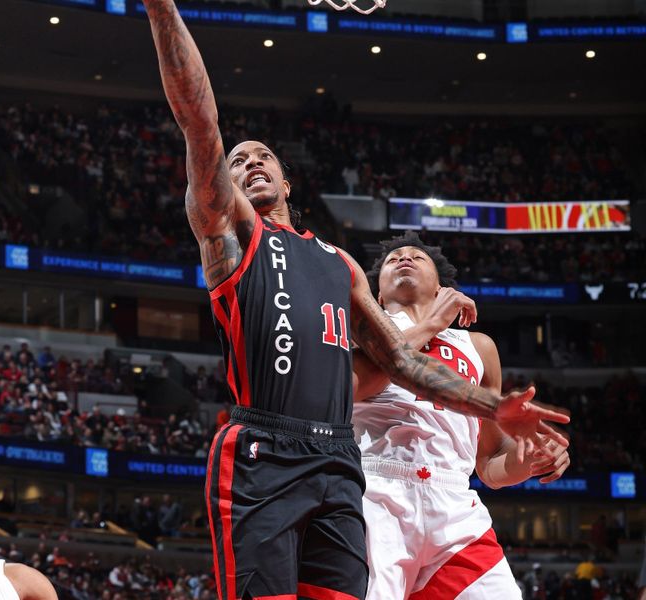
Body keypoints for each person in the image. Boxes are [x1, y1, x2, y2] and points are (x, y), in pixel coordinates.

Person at [142, 3, 569, 598]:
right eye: (237, 162)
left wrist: (493, 409)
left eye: (263, 155)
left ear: (288, 182)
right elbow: (199, 122)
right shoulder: (233, 242)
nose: (250, 163)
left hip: (340, 461)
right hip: (265, 446)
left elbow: (403, 363)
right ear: (225, 186)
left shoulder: (339, 264)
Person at [353, 232, 571, 599]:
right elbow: (350, 385)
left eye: (417, 257)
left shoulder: (479, 347)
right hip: (375, 491)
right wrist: (434, 323)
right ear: (376, 296)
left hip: (453, 501)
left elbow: (488, 465)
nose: (403, 257)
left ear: (441, 287)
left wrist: (528, 462)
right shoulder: (357, 331)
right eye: (393, 259)